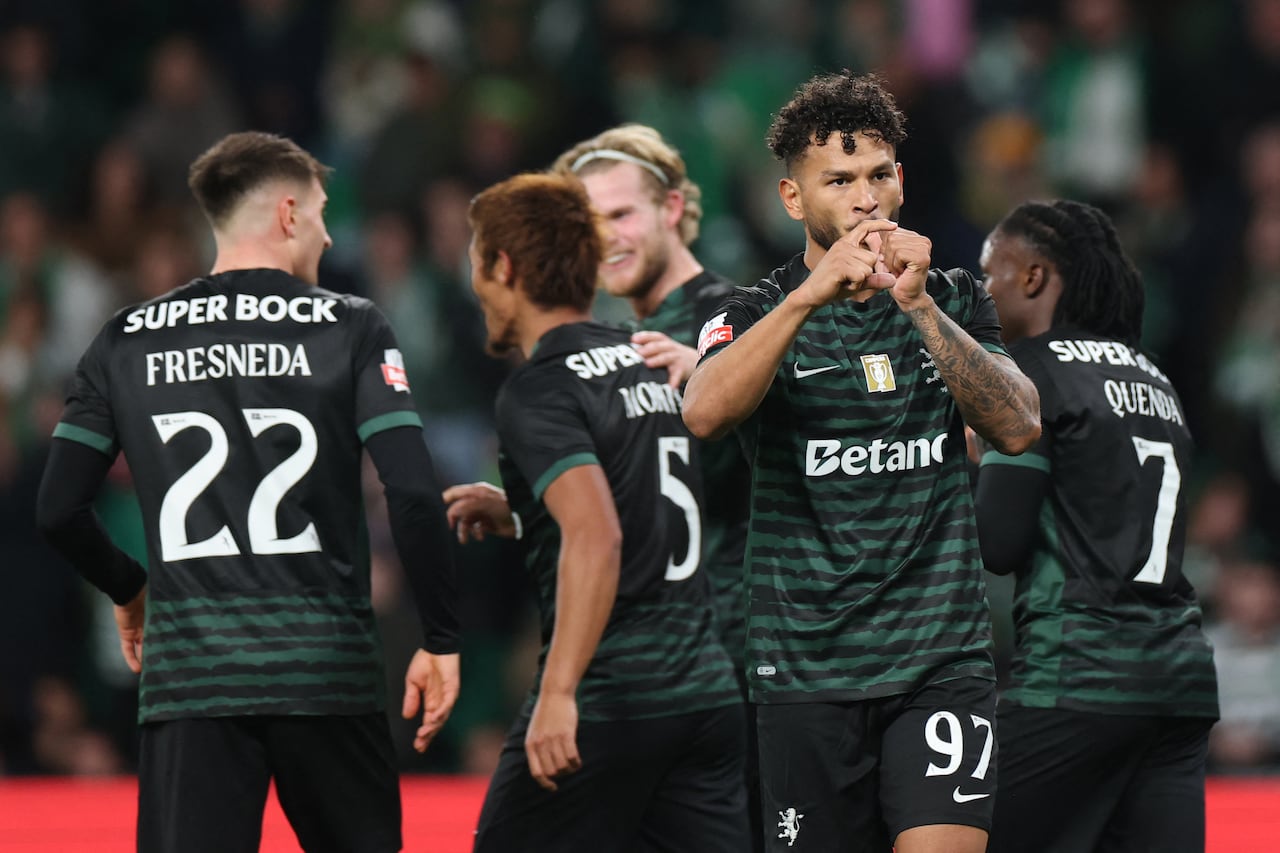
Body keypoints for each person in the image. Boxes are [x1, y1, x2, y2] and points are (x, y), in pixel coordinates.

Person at [34, 131, 460, 853]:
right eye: (323, 213)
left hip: (192, 679)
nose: (329, 235)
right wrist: (442, 635)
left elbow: (58, 510)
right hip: (326, 674)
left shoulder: (125, 339)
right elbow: (414, 492)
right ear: (289, 214)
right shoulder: (351, 326)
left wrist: (131, 589)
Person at [681, 70, 1042, 853]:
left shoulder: (953, 297)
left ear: (902, 180)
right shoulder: (750, 312)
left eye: (879, 175)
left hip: (939, 664)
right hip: (806, 676)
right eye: (838, 180)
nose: (864, 198)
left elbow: (1018, 426)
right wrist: (808, 297)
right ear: (791, 198)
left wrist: (918, 306)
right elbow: (704, 411)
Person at [444, 172, 748, 852]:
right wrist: (527, 512)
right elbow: (651, 505)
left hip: (613, 698)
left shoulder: (539, 389)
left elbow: (598, 535)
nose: (475, 283)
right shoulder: (649, 359)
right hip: (703, 695)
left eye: (476, 261)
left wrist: (558, 693)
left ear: (504, 266)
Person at [975, 198, 1219, 852]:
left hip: (1080, 673)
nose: (980, 291)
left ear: (1032, 277)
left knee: (957, 838)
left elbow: (998, 539)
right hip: (1180, 682)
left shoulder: (1031, 371)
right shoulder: (1155, 378)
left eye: (988, 272)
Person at [550, 124, 751, 685]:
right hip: (673, 654)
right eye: (589, 225)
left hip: (746, 647)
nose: (607, 239)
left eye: (620, 215)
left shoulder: (737, 316)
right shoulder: (619, 338)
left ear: (671, 207)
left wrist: (713, 379)